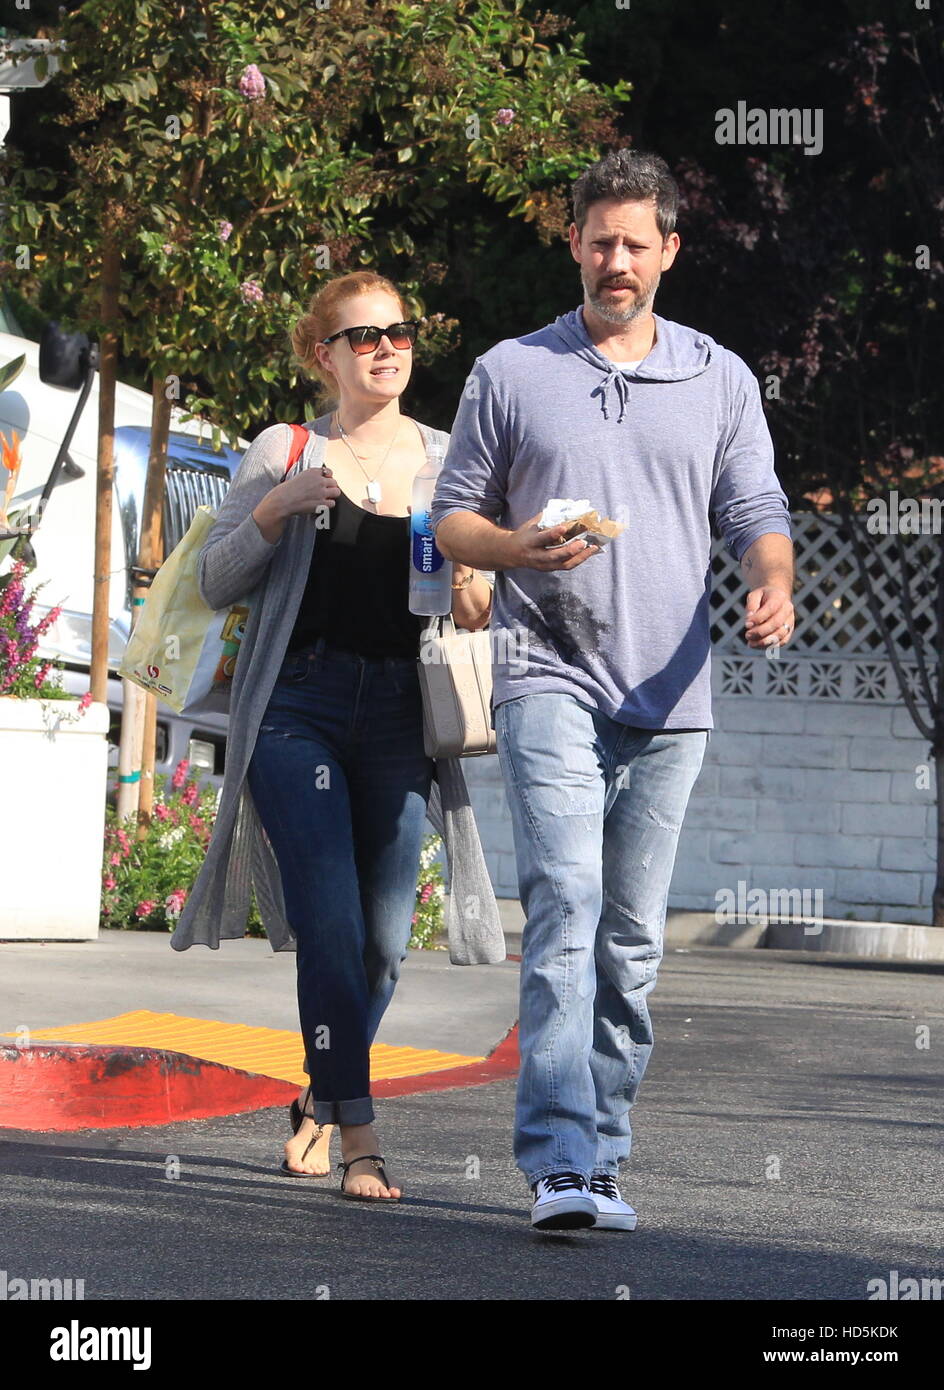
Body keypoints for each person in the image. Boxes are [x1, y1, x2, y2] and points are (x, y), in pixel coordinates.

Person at [431, 149, 795, 1231]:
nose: (616, 259)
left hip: (670, 697)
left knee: (631, 940)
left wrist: (770, 586)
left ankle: (603, 1155)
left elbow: (758, 513)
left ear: (669, 251)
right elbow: (454, 515)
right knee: (566, 907)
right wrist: (513, 550)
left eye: (637, 241)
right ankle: (555, 1160)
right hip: (548, 671)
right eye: (599, 239)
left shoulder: (718, 378)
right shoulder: (512, 371)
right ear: (574, 243)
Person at [170, 271, 499, 1200]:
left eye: (398, 332)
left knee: (385, 942)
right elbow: (216, 582)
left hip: (401, 709)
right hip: (296, 708)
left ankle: (320, 1096)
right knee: (331, 921)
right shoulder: (285, 448)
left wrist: (475, 584)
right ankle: (360, 1137)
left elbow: (473, 607)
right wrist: (278, 507)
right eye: (362, 336)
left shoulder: (446, 457)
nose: (386, 348)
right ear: (324, 354)